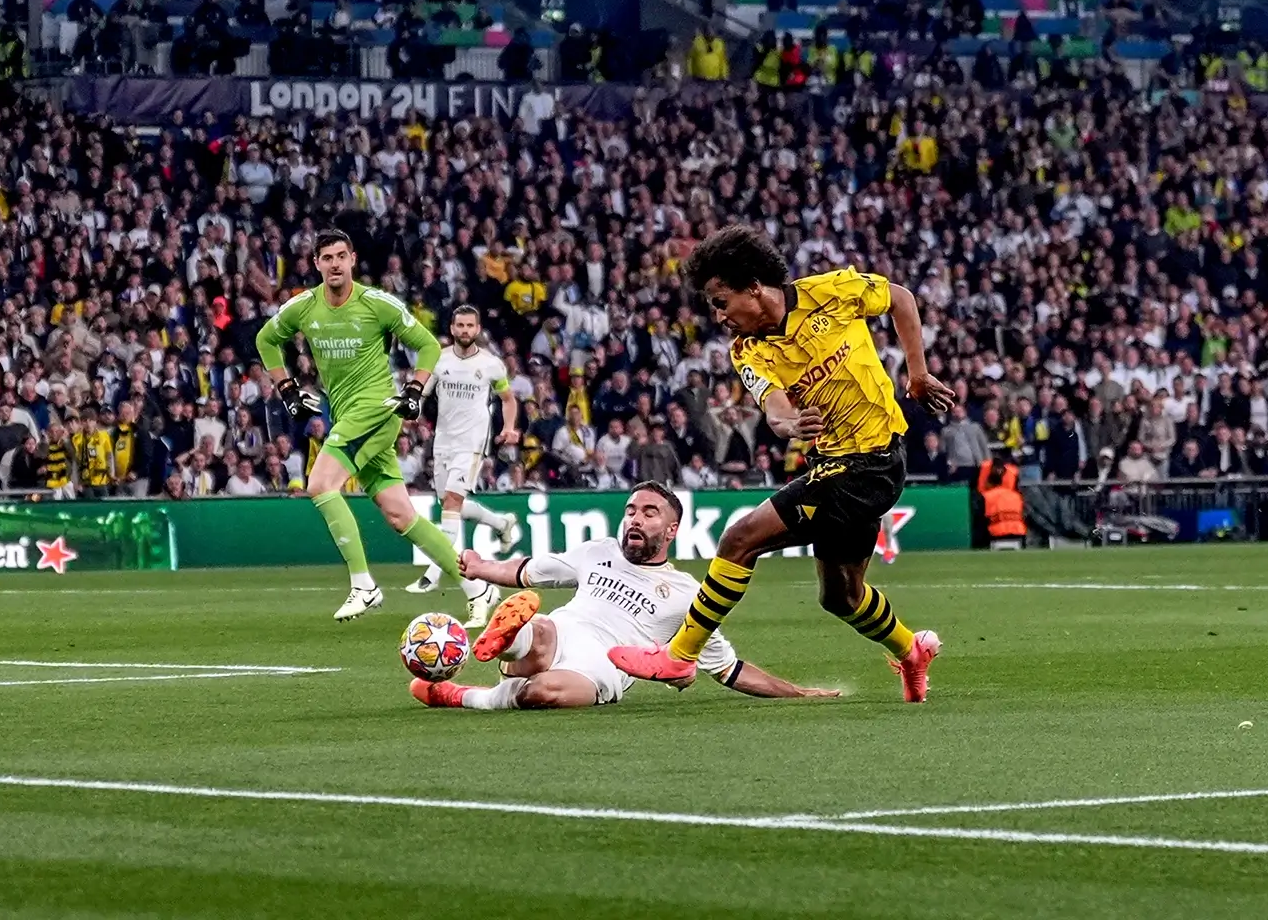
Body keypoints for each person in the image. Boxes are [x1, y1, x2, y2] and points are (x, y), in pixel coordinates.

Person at [608, 225, 957, 702]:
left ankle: (680, 654)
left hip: (870, 462)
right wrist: (787, 421)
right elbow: (772, 403)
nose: (719, 315)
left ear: (754, 286)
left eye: (721, 300)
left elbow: (899, 297)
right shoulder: (748, 349)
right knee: (841, 596)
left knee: (738, 539)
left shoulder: (830, 293)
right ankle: (911, 650)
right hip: (837, 467)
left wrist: (916, 373)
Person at [414, 483, 834, 710]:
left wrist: (797, 692)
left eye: (649, 513)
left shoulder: (689, 593)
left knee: (544, 693)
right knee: (539, 631)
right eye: (631, 510)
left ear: (671, 531)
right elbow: (527, 571)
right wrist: (481, 567)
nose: (635, 518)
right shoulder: (598, 551)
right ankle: (511, 639)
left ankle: (466, 695)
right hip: (564, 630)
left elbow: (729, 669)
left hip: (604, 665)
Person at [255, 227, 466, 621]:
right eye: (326, 258)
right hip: (344, 411)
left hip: (375, 409)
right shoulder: (303, 307)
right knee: (401, 515)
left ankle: (362, 584)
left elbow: (431, 345)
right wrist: (286, 388)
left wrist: (415, 390)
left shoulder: (377, 303)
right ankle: (477, 584)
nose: (334, 264)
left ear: (352, 259)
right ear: (316, 264)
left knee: (319, 484)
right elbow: (265, 340)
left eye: (341, 256)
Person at [405, 304, 526, 627]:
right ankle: (502, 524)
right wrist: (412, 418)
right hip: (443, 442)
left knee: (451, 505)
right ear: (452, 327)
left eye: (470, 325)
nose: (464, 331)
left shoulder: (490, 364)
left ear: (477, 328)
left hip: (472, 444)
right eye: (459, 325)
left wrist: (508, 428)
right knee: (452, 505)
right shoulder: (440, 360)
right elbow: (421, 395)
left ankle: (435, 573)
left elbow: (508, 399)